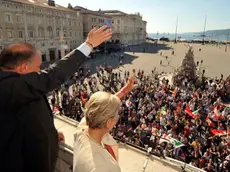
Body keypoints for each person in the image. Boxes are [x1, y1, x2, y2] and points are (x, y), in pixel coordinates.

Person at [0, 26, 112, 172]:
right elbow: (52, 75)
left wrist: (51, 134)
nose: (40, 71)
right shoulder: (7, 86)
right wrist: (89, 44)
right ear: (23, 68)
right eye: (38, 67)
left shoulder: (17, 87)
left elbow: (27, 120)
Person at [73, 75, 136, 172]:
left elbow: (99, 106)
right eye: (117, 114)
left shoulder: (81, 129)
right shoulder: (102, 168)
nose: (118, 116)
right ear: (109, 123)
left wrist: (124, 90)